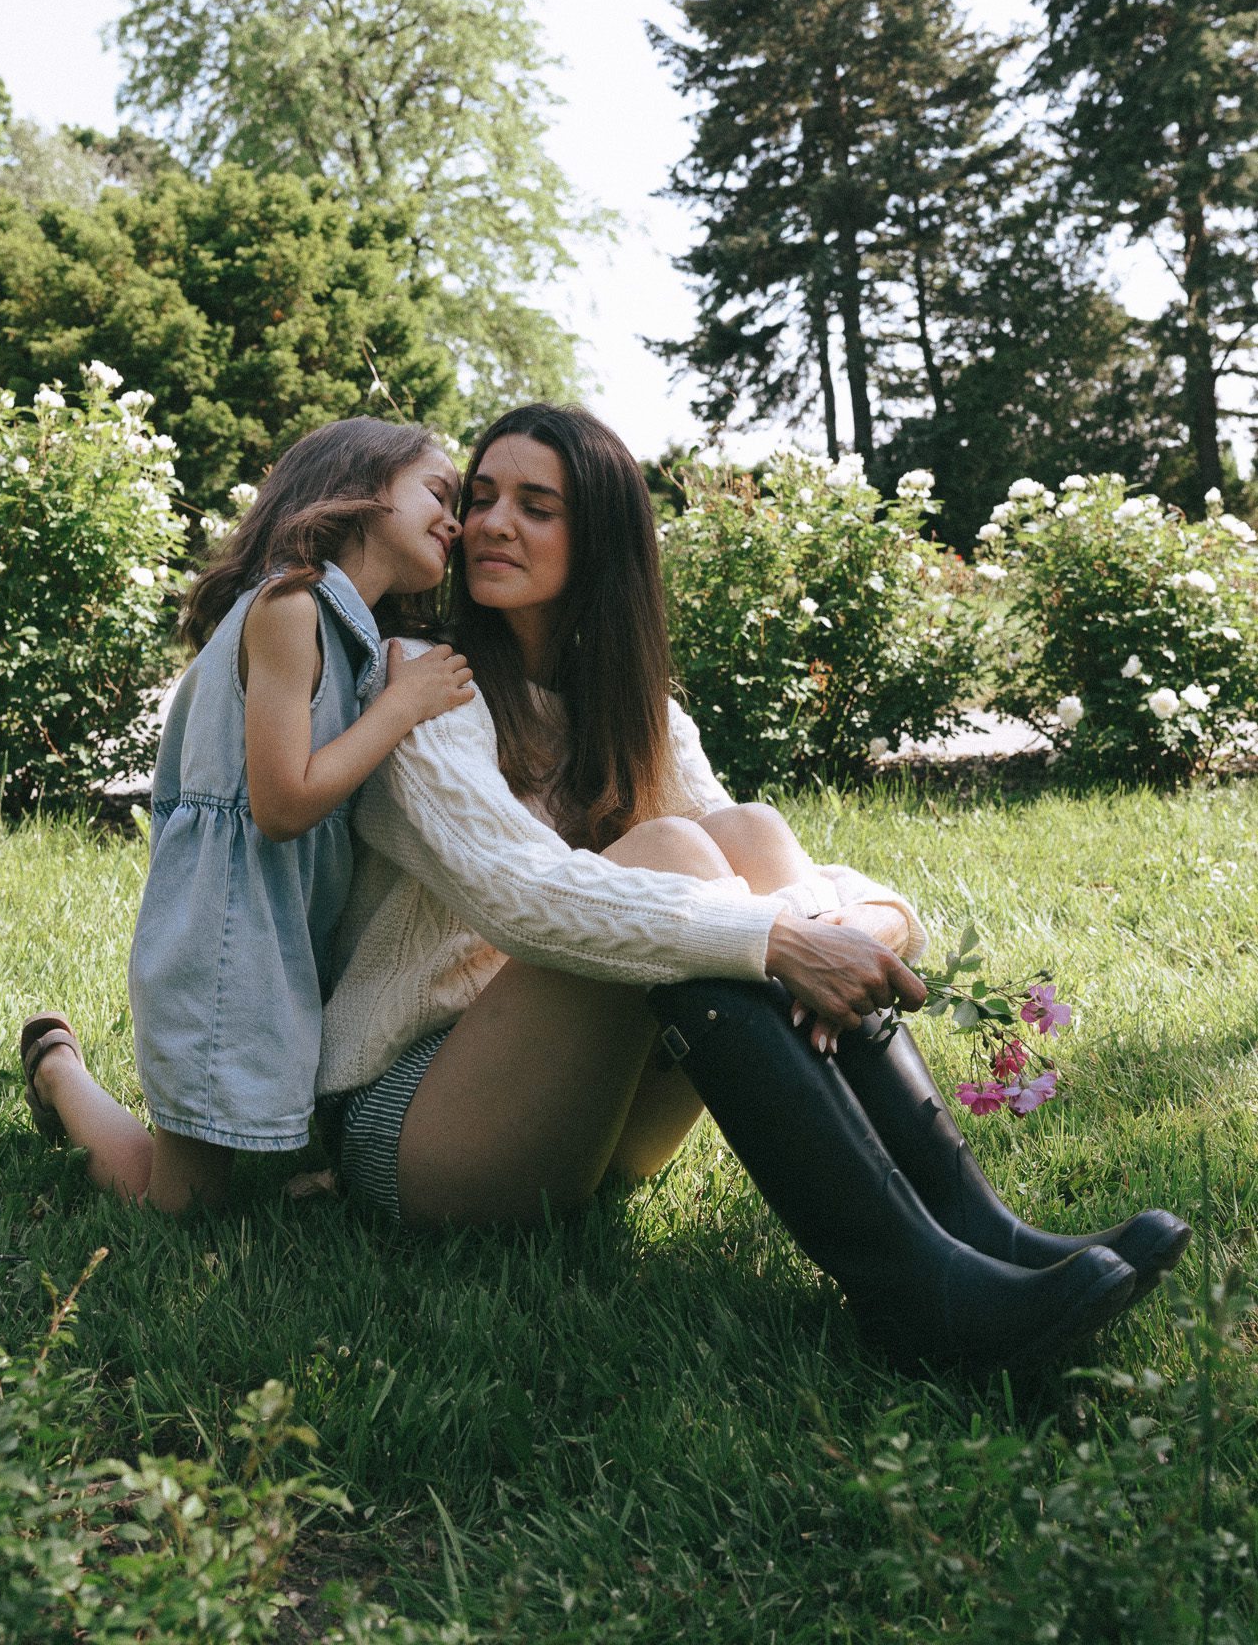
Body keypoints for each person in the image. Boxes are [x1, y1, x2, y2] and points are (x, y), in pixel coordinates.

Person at [322, 403, 1188, 1370]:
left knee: (745, 833)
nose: (489, 523)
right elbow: (521, 898)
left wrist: (856, 922)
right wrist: (775, 942)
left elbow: (785, 876)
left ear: (602, 537)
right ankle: (913, 1293)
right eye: (480, 498)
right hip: (424, 1133)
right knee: (676, 861)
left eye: (536, 505)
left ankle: (980, 1233)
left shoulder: (642, 714)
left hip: (591, 1128)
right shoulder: (424, 682)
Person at [19, 418, 475, 1212]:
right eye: (438, 493)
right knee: (182, 1202)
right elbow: (282, 804)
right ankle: (60, 1072)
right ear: (360, 490)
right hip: (225, 931)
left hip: (278, 919)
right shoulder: (289, 606)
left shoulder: (351, 629)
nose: (457, 521)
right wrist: (402, 706)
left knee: (237, 1144)